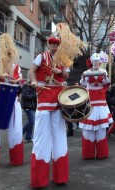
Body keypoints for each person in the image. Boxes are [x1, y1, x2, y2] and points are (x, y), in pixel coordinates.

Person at [29, 23, 84, 188]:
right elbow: (31, 70)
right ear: (48, 44)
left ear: (59, 45)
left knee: (59, 135)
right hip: (44, 95)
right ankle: (39, 179)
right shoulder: (41, 56)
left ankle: (60, 177)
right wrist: (32, 81)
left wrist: (60, 72)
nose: (54, 46)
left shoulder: (64, 58)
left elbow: (67, 73)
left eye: (56, 44)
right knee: (41, 136)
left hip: (59, 96)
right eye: (51, 44)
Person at [0, 33, 23, 167]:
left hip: (11, 98)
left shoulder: (16, 66)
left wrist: (15, 80)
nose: (8, 50)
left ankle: (16, 159)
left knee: (15, 128)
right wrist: (1, 75)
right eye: (5, 47)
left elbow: (20, 78)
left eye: (9, 47)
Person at [79, 53, 113, 160]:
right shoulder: (86, 72)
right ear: (91, 62)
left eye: (98, 62)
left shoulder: (103, 71)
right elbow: (83, 84)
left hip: (101, 102)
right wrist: (84, 78)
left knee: (101, 128)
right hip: (90, 102)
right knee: (88, 130)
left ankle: (102, 153)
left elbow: (107, 82)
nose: (96, 63)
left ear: (100, 63)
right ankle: (88, 154)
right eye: (94, 61)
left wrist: (106, 76)